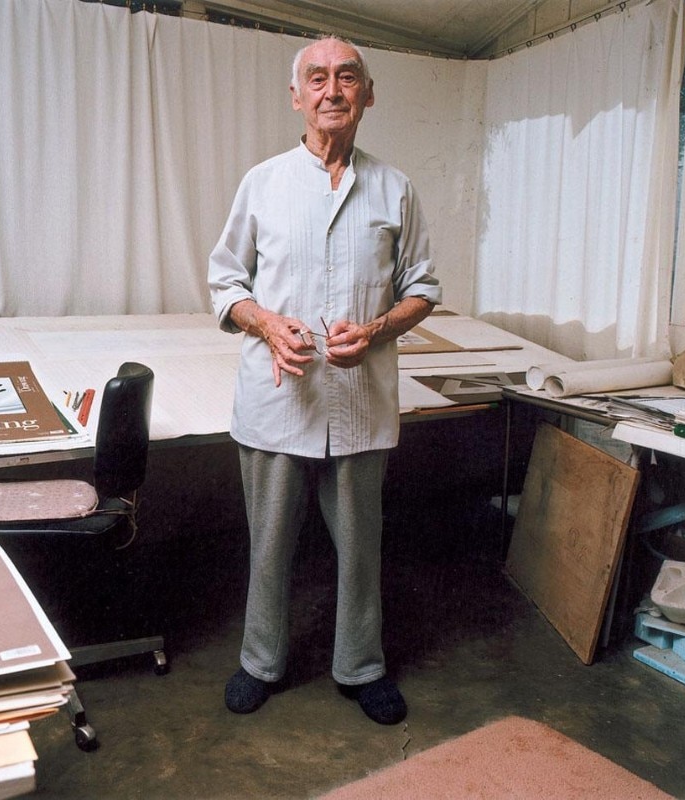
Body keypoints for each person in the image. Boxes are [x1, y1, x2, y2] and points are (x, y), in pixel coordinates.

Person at [208, 34, 441, 725]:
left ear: (367, 94)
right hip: (280, 396)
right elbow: (225, 283)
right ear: (296, 96)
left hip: (359, 399)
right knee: (269, 545)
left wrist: (375, 329)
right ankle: (260, 661)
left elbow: (423, 289)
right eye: (316, 78)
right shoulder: (263, 182)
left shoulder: (395, 188)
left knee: (360, 546)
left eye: (346, 77)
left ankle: (360, 667)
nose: (331, 90)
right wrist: (264, 324)